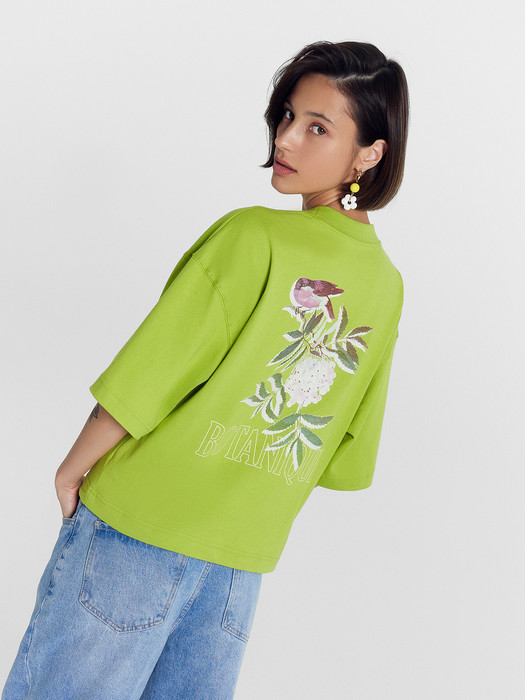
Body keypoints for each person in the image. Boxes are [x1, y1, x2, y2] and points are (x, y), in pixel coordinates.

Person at [2, 39, 409, 699]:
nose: (286, 138)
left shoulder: (253, 236)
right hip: (237, 565)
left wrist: (72, 466)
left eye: (318, 128)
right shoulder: (386, 286)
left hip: (136, 528)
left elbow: (151, 373)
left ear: (370, 152)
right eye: (287, 115)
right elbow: (346, 454)